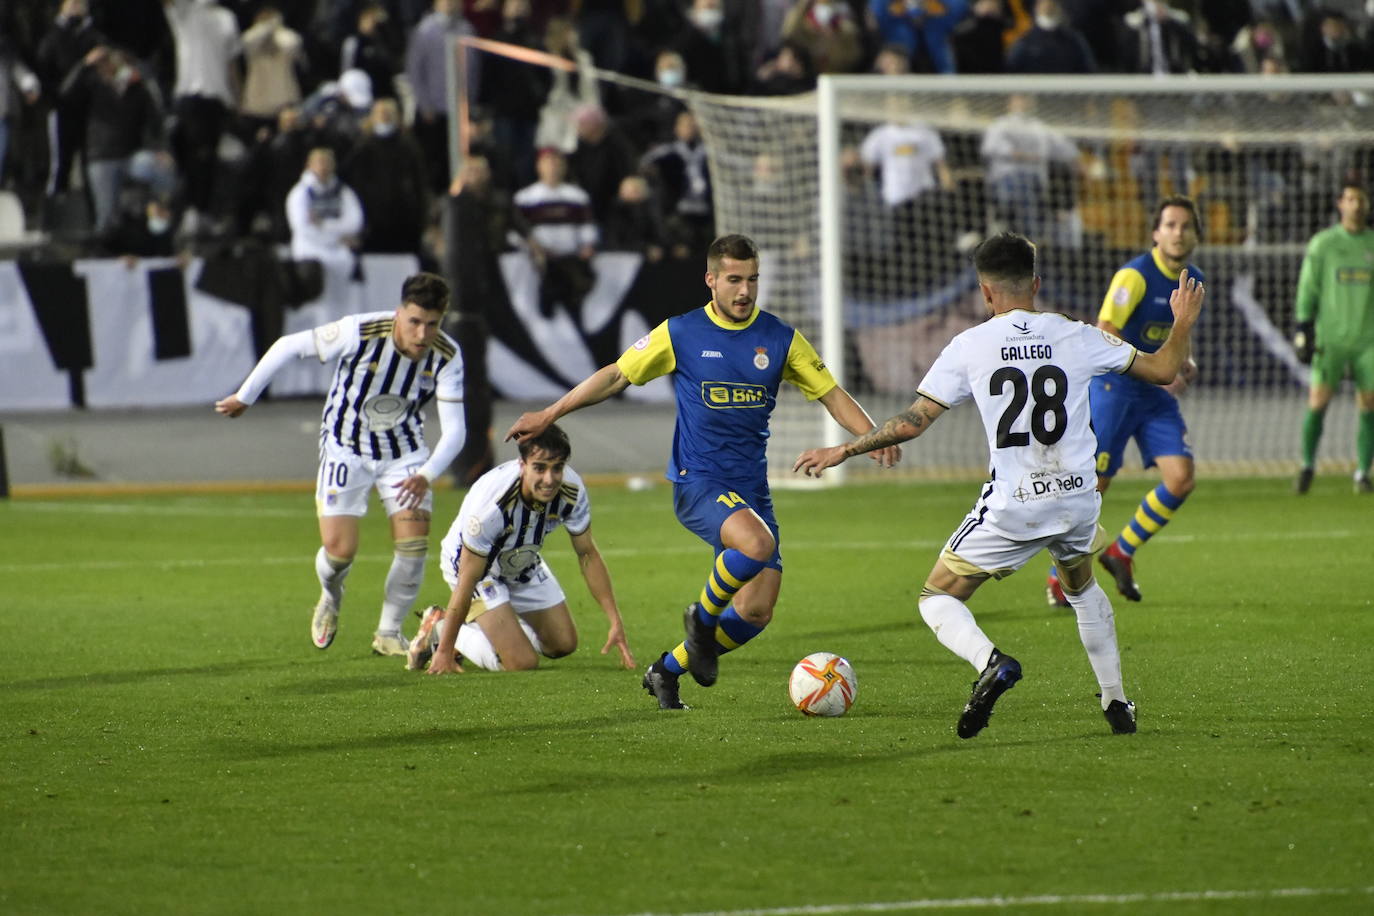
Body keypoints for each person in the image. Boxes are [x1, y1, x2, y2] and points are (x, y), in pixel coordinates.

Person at [794, 232, 1206, 738]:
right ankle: (1116, 701)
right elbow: (1164, 369)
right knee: (1081, 588)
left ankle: (992, 662)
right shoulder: (1075, 333)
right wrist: (1182, 320)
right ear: (1035, 282)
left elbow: (913, 421)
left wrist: (845, 449)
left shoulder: (969, 346)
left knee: (936, 598)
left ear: (985, 292)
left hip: (1017, 504)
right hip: (1079, 499)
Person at [505, 234, 900, 710]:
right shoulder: (680, 333)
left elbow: (833, 395)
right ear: (711, 280)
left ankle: (665, 672)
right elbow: (615, 375)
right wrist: (549, 415)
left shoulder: (780, 339)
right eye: (734, 279)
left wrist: (872, 438)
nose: (744, 291)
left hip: (751, 490)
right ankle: (702, 620)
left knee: (757, 610)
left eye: (752, 279)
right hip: (699, 483)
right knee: (757, 546)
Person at [214, 273, 466, 656]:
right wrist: (246, 395)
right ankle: (330, 598)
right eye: (414, 321)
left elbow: (455, 432)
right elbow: (286, 346)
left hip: (404, 454)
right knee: (339, 550)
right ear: (399, 313)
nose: (421, 333)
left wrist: (425, 474)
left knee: (413, 544)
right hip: (345, 447)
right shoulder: (361, 331)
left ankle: (388, 633)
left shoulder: (446, 355)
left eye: (432, 324)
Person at [1048, 196, 1205, 607]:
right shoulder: (1134, 276)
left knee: (1181, 477)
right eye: (1170, 224)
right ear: (1156, 233)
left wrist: (1182, 360)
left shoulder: (1194, 279)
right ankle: (1057, 577)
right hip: (1115, 391)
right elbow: (1104, 329)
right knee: (1094, 486)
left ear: (1195, 235)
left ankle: (1121, 552)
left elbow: (1174, 334)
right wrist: (1152, 367)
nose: (1178, 232)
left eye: (1185, 225)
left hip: (1153, 394)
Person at [414, 424, 636, 675]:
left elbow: (587, 554)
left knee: (563, 644)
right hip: (476, 568)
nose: (549, 479)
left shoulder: (571, 491)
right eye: (539, 468)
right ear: (522, 465)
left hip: (521, 560)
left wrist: (615, 620)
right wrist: (444, 651)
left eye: (557, 468)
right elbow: (468, 577)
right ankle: (440, 625)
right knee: (522, 662)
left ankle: (501, 626)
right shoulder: (491, 507)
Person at [1292, 183, 1374, 495]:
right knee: (1318, 400)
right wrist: (1303, 328)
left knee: (1368, 403)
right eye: (1350, 199)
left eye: (1361, 199)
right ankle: (1307, 465)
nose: (1356, 205)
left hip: (1368, 339)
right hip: (1331, 338)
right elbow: (1308, 288)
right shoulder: (1324, 244)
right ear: (1340, 203)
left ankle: (1363, 472)